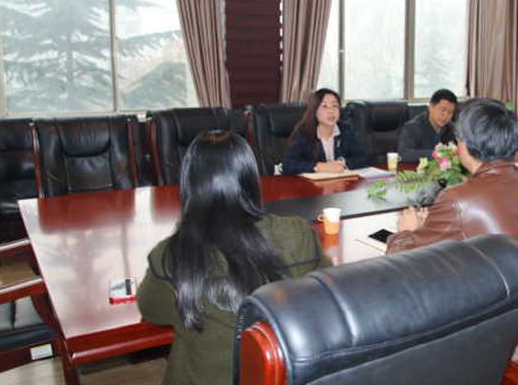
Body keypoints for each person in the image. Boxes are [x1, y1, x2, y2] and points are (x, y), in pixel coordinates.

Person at [138, 130, 330, 385]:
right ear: (251, 178)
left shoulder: (171, 254)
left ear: (189, 185)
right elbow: (325, 291)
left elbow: (152, 311)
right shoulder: (298, 233)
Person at [386, 98, 518, 366]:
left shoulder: (459, 199)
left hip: (512, 353)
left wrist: (407, 231)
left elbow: (401, 264)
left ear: (464, 145)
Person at [282, 88, 369, 175]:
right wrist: (320, 167)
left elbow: (363, 158)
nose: (331, 111)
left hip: (340, 180)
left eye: (334, 106)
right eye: (325, 106)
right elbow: (288, 165)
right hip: (312, 183)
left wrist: (342, 163)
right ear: (314, 110)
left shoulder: (345, 130)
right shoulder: (303, 133)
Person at [397, 89, 457, 163]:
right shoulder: (412, 127)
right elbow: (404, 154)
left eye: (450, 112)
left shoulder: (451, 128)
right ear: (430, 107)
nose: (446, 115)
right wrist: (436, 154)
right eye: (442, 110)